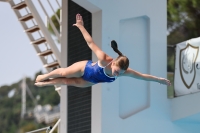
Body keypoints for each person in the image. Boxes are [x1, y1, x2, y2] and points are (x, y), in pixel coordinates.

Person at [35, 14, 171, 87]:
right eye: (117, 71)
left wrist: (159, 80)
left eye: (120, 73)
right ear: (113, 64)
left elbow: (142, 76)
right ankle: (45, 77)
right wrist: (81, 26)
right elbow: (90, 43)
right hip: (85, 69)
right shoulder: (104, 58)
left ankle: (45, 84)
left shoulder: (123, 72)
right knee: (64, 72)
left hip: (90, 82)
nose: (117, 75)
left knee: (66, 82)